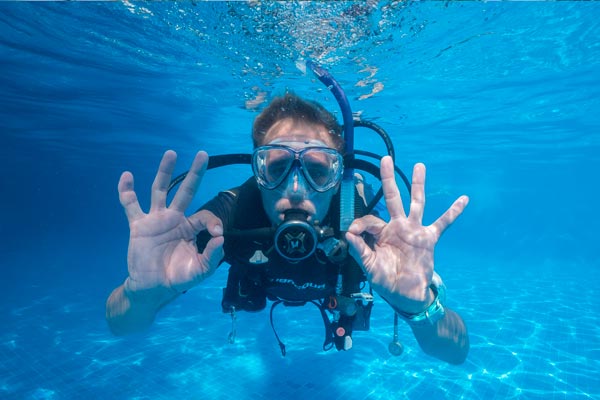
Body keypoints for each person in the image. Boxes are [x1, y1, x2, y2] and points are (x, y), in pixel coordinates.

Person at [106, 93, 470, 364]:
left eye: (317, 169)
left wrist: (420, 306)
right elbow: (121, 326)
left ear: (338, 174)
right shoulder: (226, 218)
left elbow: (456, 352)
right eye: (276, 166)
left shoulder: (365, 229)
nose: (295, 189)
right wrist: (142, 295)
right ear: (256, 171)